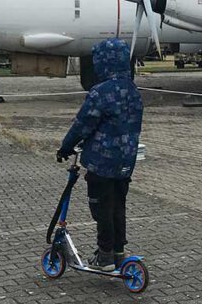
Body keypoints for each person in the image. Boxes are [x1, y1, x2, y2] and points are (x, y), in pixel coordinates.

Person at [57, 38, 143, 271]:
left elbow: (82, 124)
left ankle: (104, 255)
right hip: (126, 161)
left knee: (101, 208)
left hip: (102, 163)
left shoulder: (101, 92)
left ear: (103, 63)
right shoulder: (133, 90)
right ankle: (118, 251)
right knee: (118, 207)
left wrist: (66, 147)